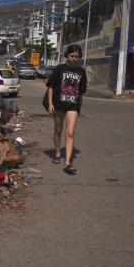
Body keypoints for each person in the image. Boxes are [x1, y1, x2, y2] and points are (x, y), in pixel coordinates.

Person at [46, 44, 87, 175]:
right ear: (67, 56)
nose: (74, 58)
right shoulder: (60, 69)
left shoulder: (81, 71)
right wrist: (50, 103)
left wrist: (79, 107)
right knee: (58, 129)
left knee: (70, 133)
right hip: (58, 104)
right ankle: (57, 152)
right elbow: (51, 86)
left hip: (73, 106)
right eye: (72, 56)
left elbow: (81, 92)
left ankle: (68, 162)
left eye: (76, 56)